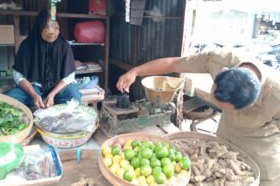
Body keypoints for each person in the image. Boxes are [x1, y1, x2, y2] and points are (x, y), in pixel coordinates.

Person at [116, 48, 280, 186]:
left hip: (261, 148)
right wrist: (135, 71)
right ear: (221, 73)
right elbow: (174, 63)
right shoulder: (220, 61)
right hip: (224, 140)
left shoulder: (276, 94)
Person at [5, 10, 81, 109]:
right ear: (39, 27)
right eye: (47, 27)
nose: (52, 32)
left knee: (75, 100)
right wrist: (34, 95)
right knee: (10, 100)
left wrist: (52, 94)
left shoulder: (64, 46)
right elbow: (18, 75)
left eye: (56, 28)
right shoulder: (27, 45)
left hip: (59, 88)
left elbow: (70, 76)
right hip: (34, 87)